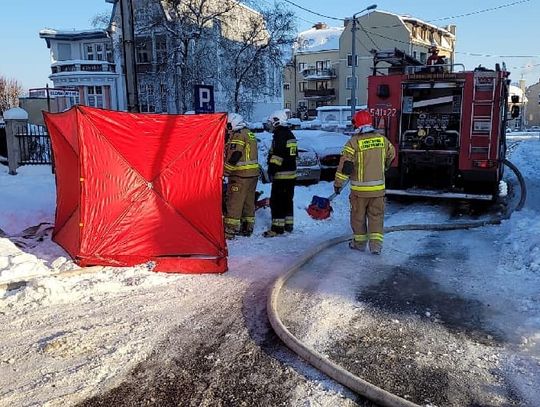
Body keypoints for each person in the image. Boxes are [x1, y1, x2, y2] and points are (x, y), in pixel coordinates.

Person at [334, 110, 395, 254]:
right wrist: (384, 167)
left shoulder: (353, 143)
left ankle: (360, 244)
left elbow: (344, 168)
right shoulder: (382, 140)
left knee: (358, 218)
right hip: (378, 190)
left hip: (359, 192)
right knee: (376, 217)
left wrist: (338, 184)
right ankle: (376, 247)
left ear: (357, 124)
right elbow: (391, 155)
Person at [223, 113, 260, 239]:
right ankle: (247, 227)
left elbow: (235, 154)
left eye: (228, 124)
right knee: (248, 202)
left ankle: (230, 230)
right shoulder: (249, 133)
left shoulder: (238, 135)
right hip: (253, 175)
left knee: (234, 202)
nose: (227, 127)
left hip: (240, 175)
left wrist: (225, 171)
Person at [264, 110, 297, 237]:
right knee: (288, 200)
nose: (270, 125)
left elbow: (277, 156)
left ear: (277, 121)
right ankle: (288, 224)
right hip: (291, 174)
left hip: (281, 174)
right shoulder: (289, 134)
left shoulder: (280, 135)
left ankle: (277, 228)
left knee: (277, 201)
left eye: (271, 122)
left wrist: (271, 170)